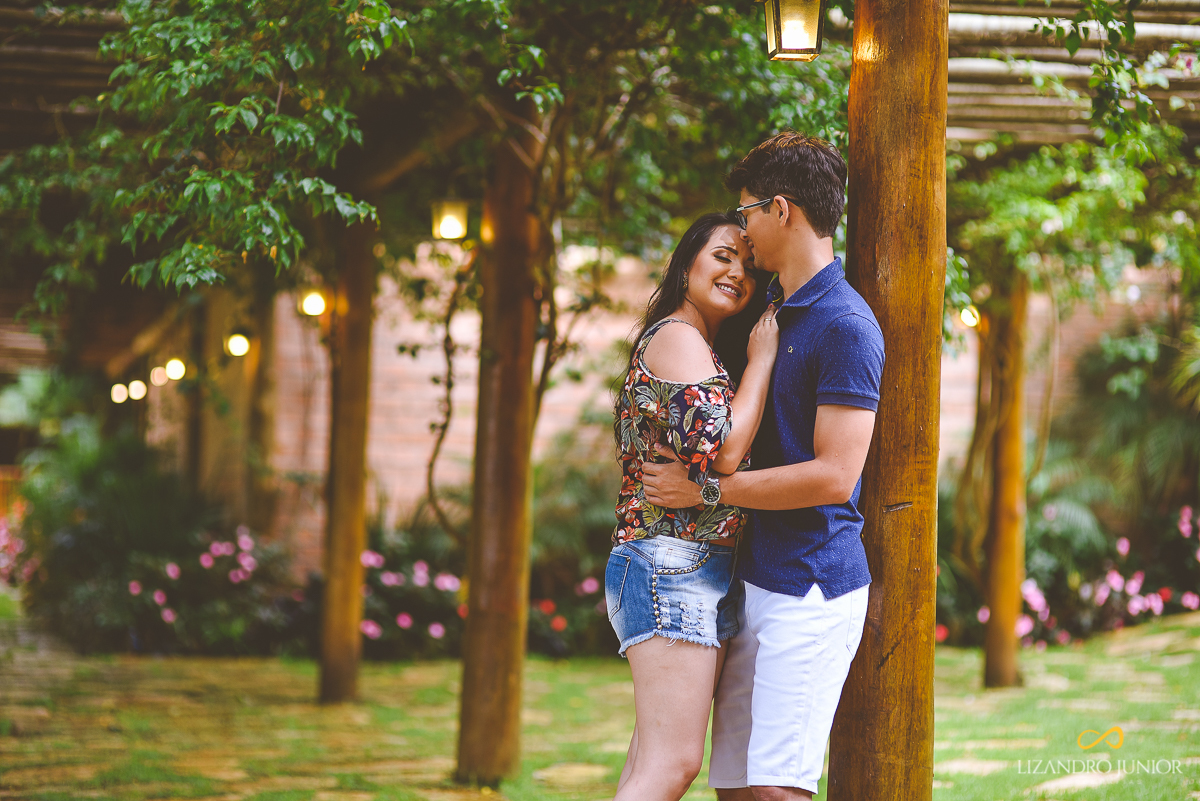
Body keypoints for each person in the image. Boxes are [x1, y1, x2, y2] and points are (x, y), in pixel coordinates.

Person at [642, 132, 885, 800]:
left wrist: (707, 491)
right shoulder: (770, 310)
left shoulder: (845, 325)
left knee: (777, 789)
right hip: (752, 580)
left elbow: (835, 476)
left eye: (747, 212)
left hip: (811, 585)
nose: (742, 231)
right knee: (737, 787)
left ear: (781, 209)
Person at [607, 210, 778, 801]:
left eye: (749, 266)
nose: (737, 273)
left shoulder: (696, 343)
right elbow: (725, 450)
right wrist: (762, 360)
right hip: (671, 562)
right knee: (673, 765)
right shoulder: (678, 337)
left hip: (690, 563)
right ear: (686, 266)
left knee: (648, 766)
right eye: (723, 257)